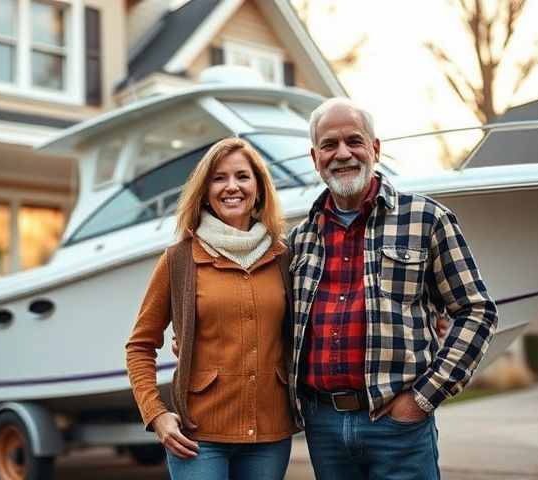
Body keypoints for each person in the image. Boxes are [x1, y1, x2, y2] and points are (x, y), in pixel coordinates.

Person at [287, 98, 498, 479]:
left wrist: (422, 398)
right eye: (329, 145)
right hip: (324, 428)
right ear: (315, 157)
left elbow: (477, 312)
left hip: (398, 425)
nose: (343, 153)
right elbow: (273, 321)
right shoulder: (299, 240)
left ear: (375, 149)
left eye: (354, 140)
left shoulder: (427, 220)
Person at [125, 138, 297, 479]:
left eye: (242, 177)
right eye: (219, 178)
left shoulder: (283, 258)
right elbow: (140, 346)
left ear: (259, 190)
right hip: (198, 436)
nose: (231, 186)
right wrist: (156, 414)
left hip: (270, 436)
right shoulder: (179, 259)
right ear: (204, 191)